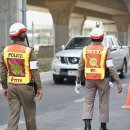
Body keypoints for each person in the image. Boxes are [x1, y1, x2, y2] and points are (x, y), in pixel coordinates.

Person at [75, 27, 122, 130]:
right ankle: (102, 127)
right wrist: (118, 81)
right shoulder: (105, 50)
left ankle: (87, 126)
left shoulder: (85, 50)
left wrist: (78, 81)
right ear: (102, 37)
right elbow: (111, 67)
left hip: (89, 80)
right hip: (103, 80)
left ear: (91, 37)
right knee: (103, 102)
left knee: (88, 101)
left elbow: (80, 66)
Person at [0, 23, 43, 130]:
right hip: (26, 88)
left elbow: (3, 71)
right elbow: (34, 71)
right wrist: (39, 88)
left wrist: (5, 87)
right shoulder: (29, 51)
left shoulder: (5, 51)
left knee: (13, 117)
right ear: (22, 35)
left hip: (12, 87)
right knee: (30, 117)